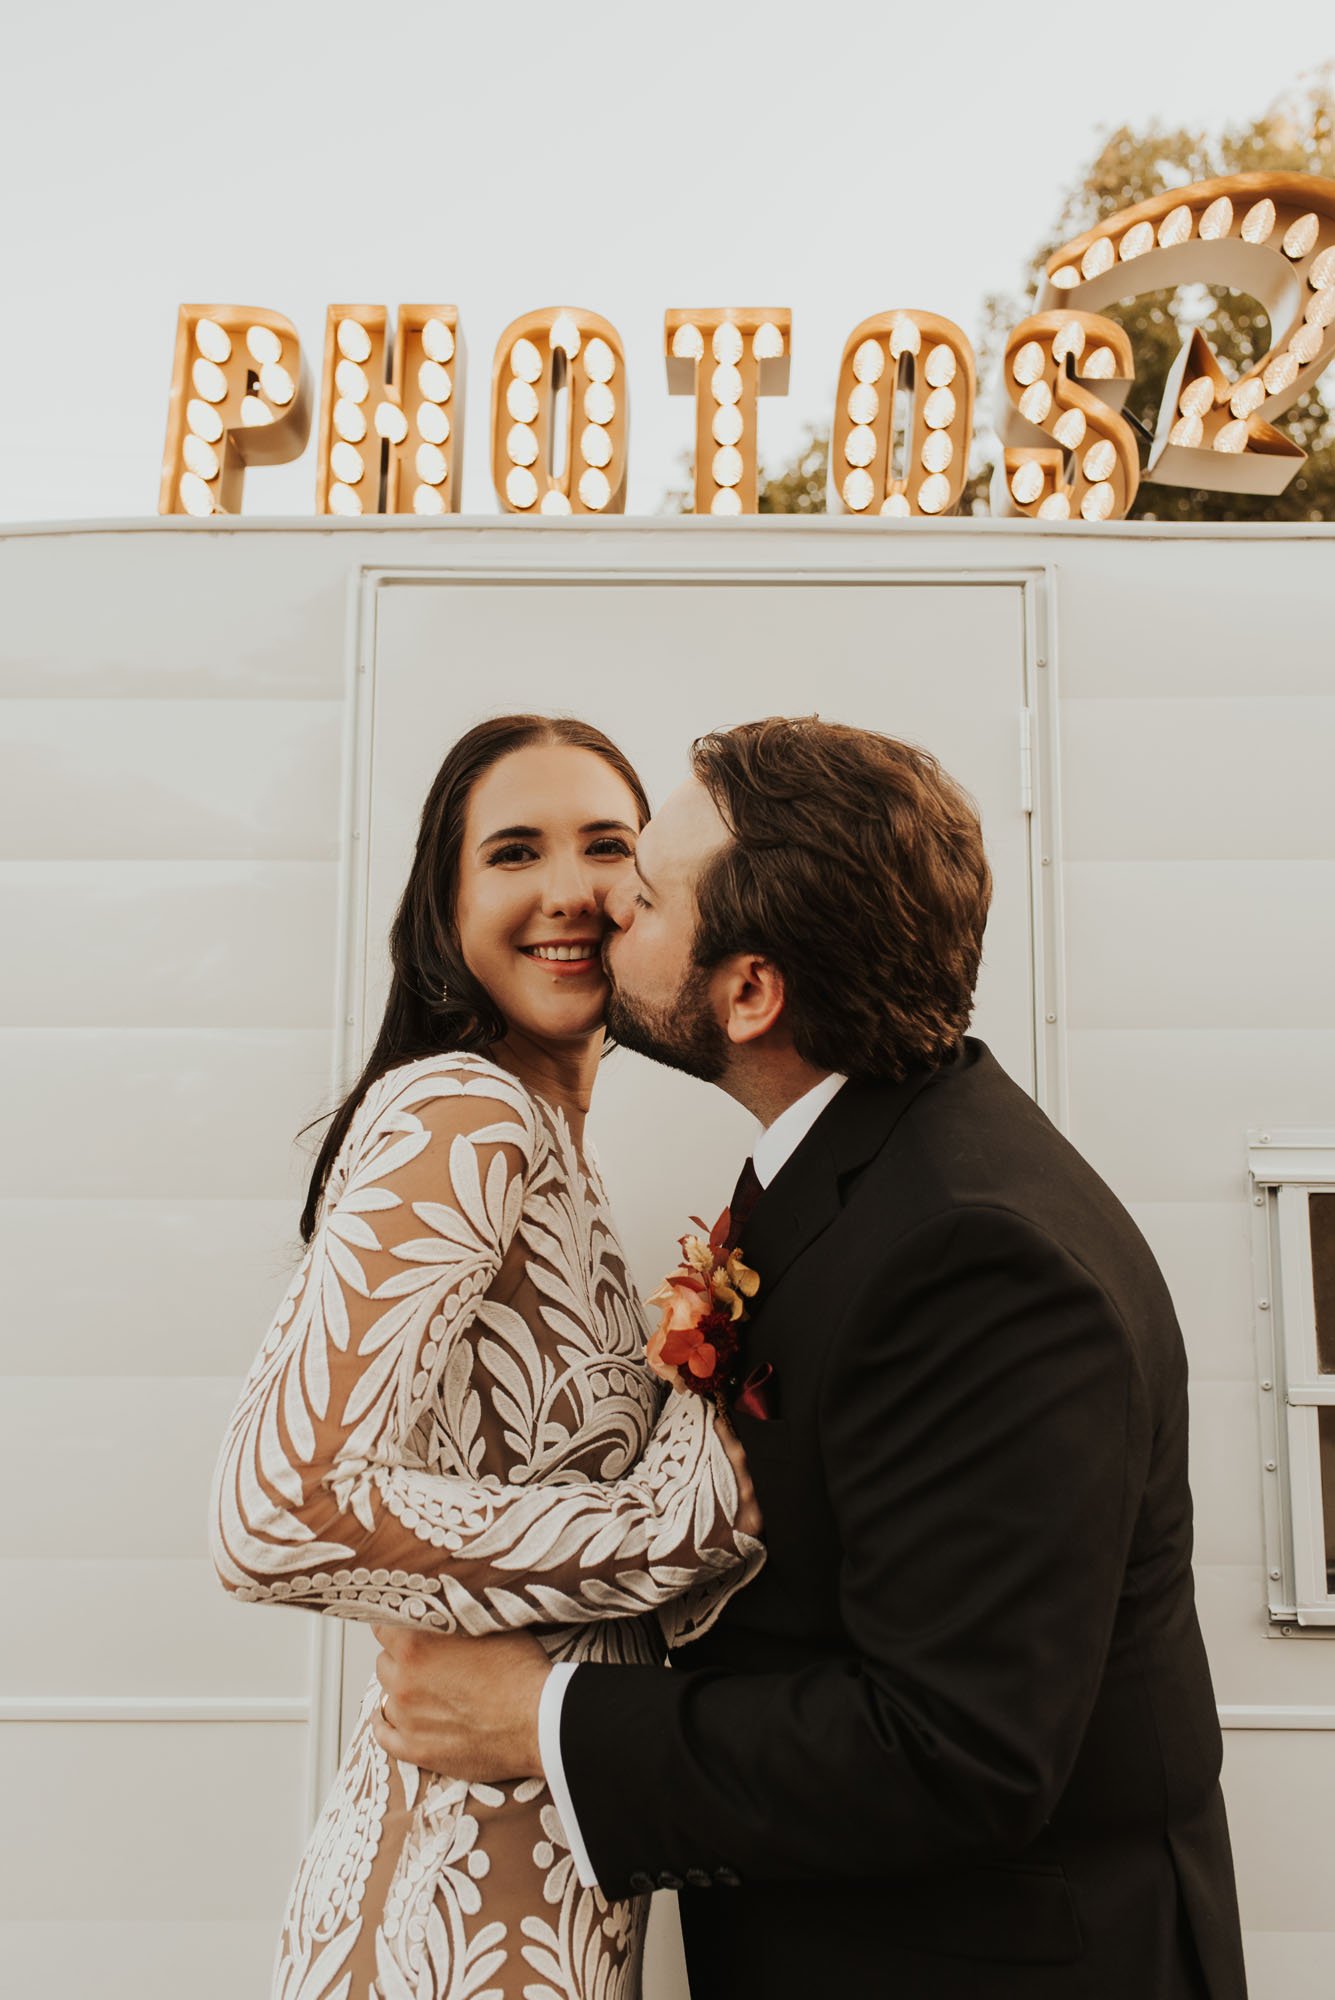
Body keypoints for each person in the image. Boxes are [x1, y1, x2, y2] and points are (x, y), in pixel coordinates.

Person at [366, 715, 1250, 2000]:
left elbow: (957, 1750)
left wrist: (541, 1717)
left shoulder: (976, 1257)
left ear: (750, 992)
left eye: (647, 889)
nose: (606, 903)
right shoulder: (860, 1164)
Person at [208, 713, 764, 2000]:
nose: (569, 889)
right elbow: (277, 1510)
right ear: (444, 902)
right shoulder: (464, 1112)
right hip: (439, 1925)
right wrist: (668, 1523)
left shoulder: (561, 1146)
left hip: (552, 1905)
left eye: (609, 848)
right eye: (515, 851)